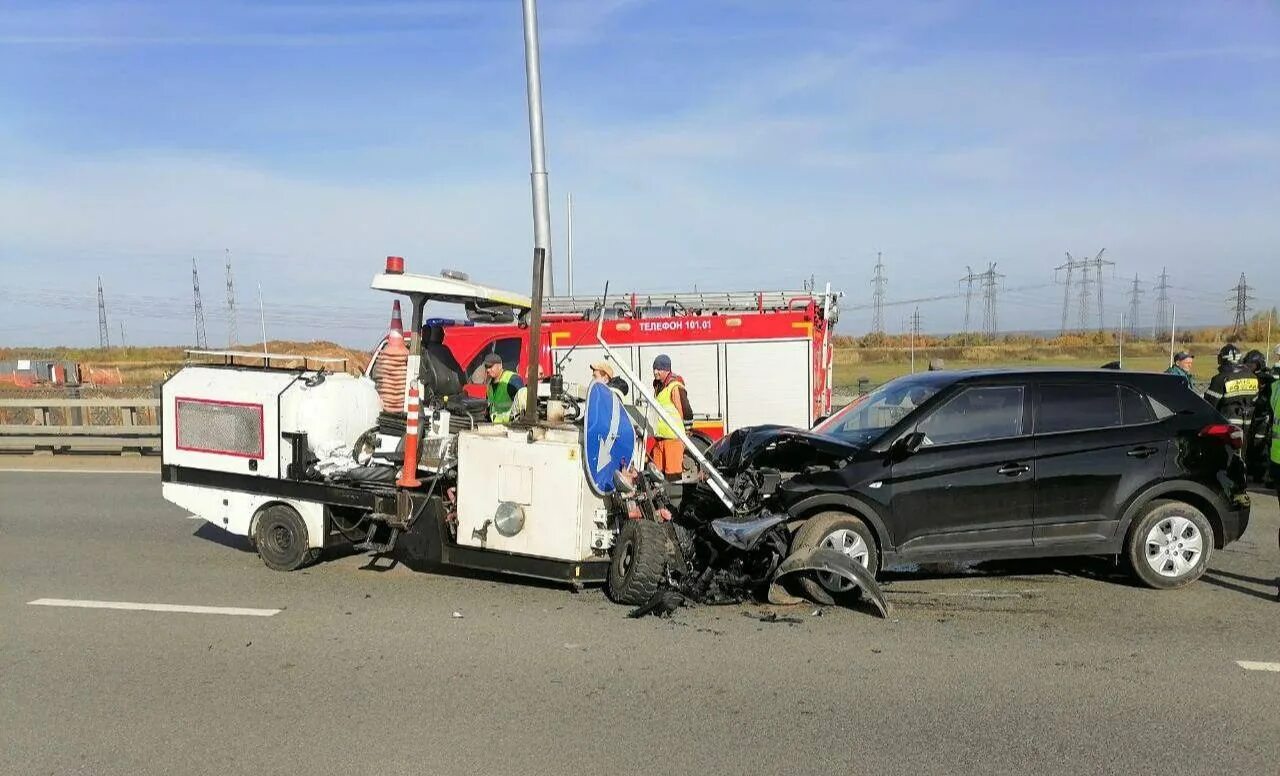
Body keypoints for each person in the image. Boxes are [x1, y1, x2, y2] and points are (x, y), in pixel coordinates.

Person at [649, 354, 689, 482]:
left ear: (667, 369)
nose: (655, 372)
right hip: (660, 439)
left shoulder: (674, 387)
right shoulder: (658, 387)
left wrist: (686, 434)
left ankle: (675, 501)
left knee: (673, 477)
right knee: (656, 477)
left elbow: (686, 411)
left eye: (659, 369)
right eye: (654, 368)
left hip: (673, 440)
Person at [1203, 344, 1259, 427]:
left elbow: (1209, 404)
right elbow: (1256, 399)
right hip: (1249, 423)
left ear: (1222, 359)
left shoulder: (1220, 379)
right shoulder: (1253, 377)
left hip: (1227, 424)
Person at [483, 353, 525, 424]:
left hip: (510, 426)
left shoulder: (512, 379)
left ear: (500, 365)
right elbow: (490, 408)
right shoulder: (490, 385)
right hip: (495, 426)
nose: (488, 370)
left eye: (490, 367)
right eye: (486, 367)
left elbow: (522, 406)